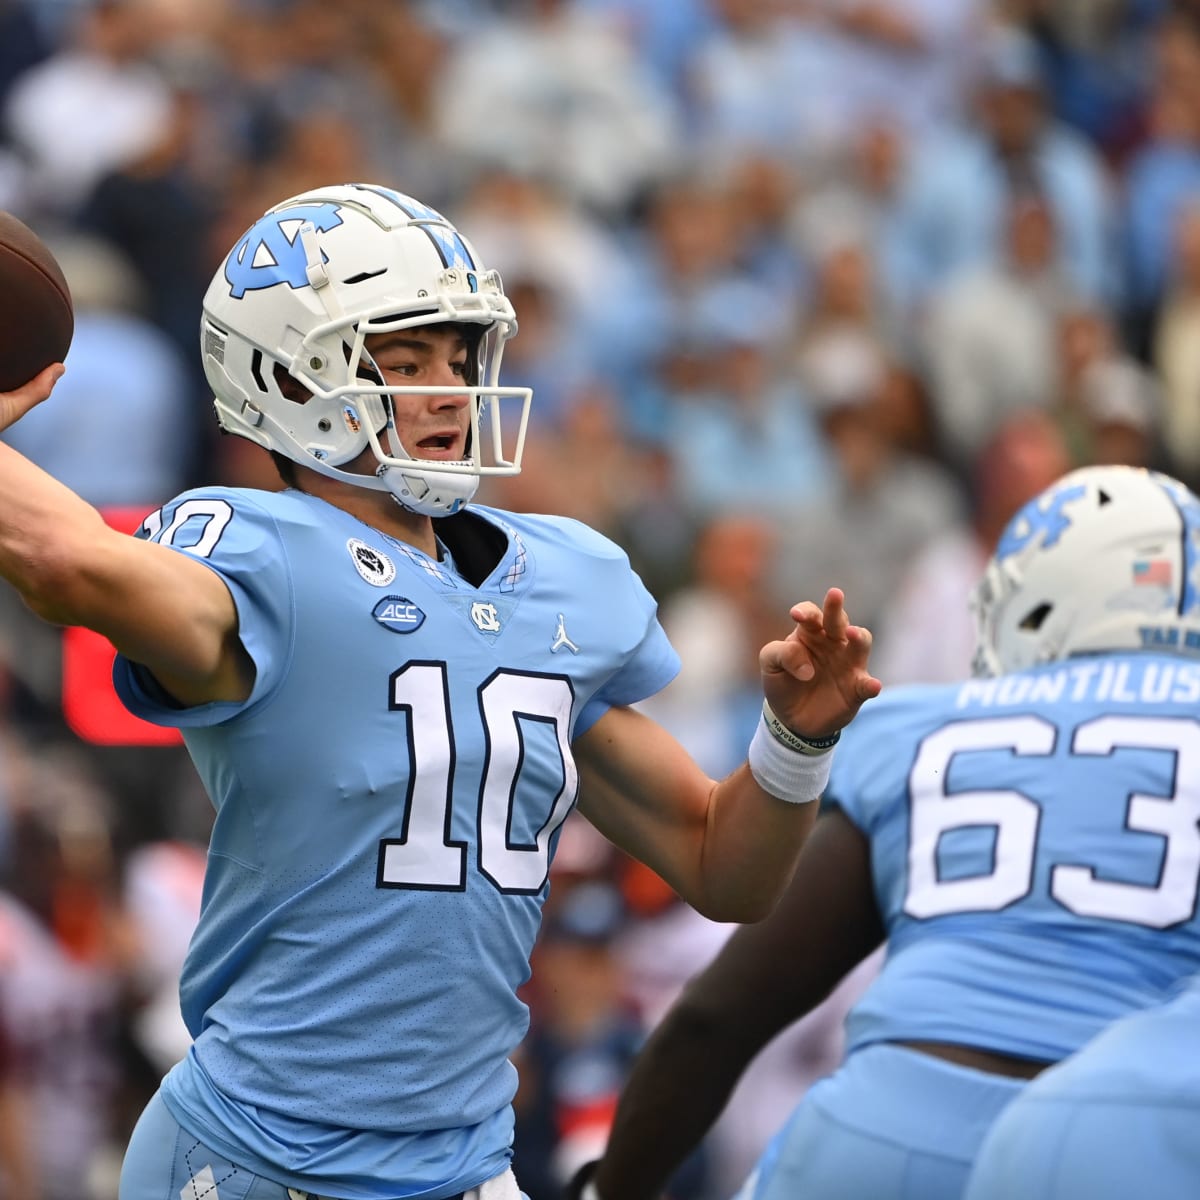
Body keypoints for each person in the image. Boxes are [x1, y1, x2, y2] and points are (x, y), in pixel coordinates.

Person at [0, 182, 881, 1200]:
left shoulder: (557, 581)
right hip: (258, 1158)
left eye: (458, 361)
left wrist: (793, 744)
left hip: (461, 1162)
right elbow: (67, 563)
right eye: (407, 361)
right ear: (290, 380)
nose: (448, 391)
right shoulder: (263, 557)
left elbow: (725, 869)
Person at [577, 463, 1200, 1200]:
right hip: (1131, 1142)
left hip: (886, 1136)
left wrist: (608, 1191)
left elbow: (719, 1017)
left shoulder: (923, 724)